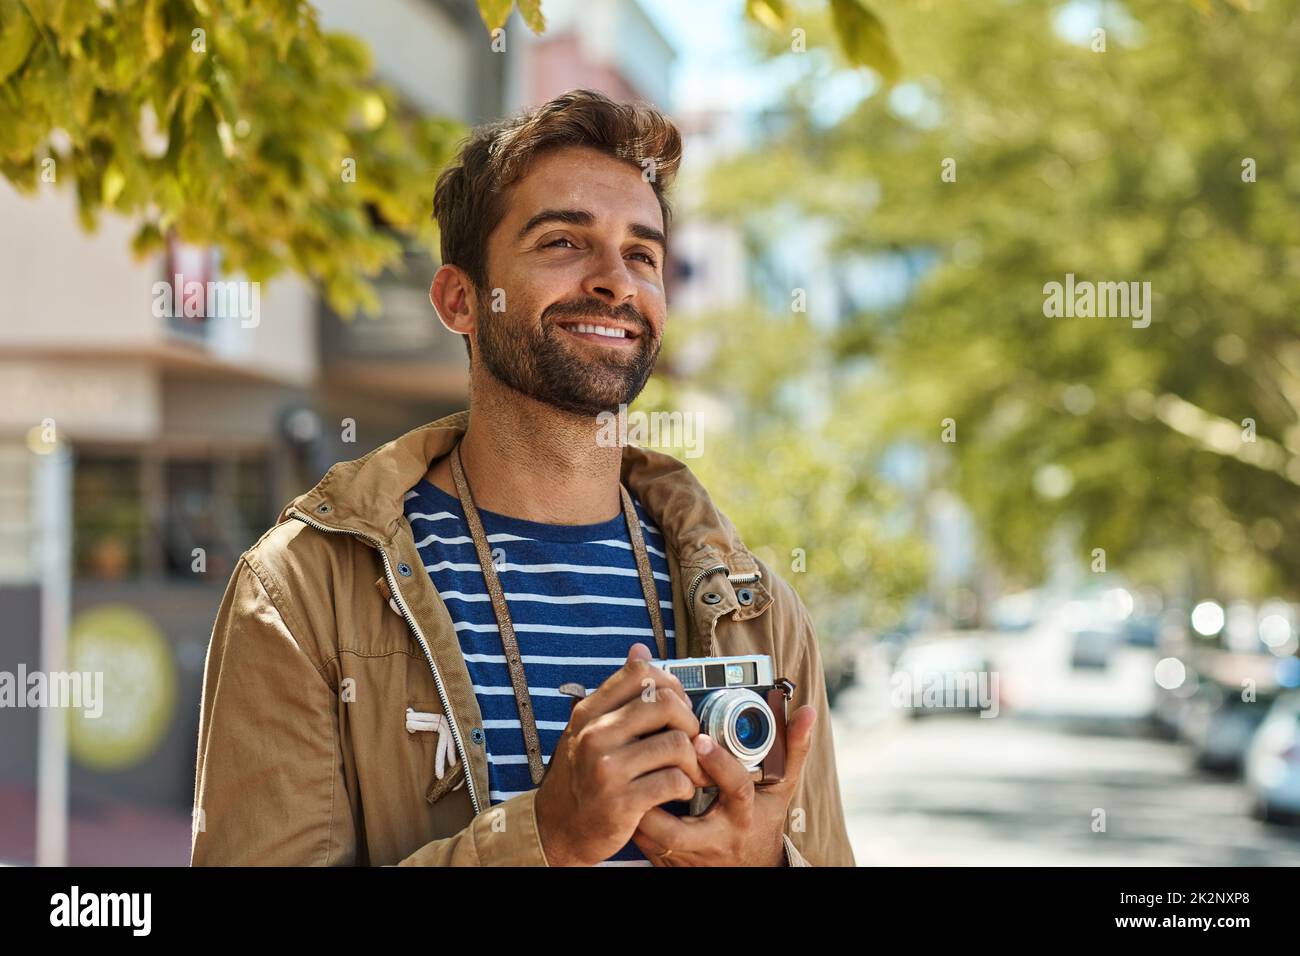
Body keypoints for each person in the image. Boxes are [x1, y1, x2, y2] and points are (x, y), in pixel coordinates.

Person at [190, 89, 855, 867]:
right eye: (564, 243)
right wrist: (545, 839)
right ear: (459, 299)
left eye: (642, 254)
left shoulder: (760, 613)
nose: (615, 280)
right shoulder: (302, 591)